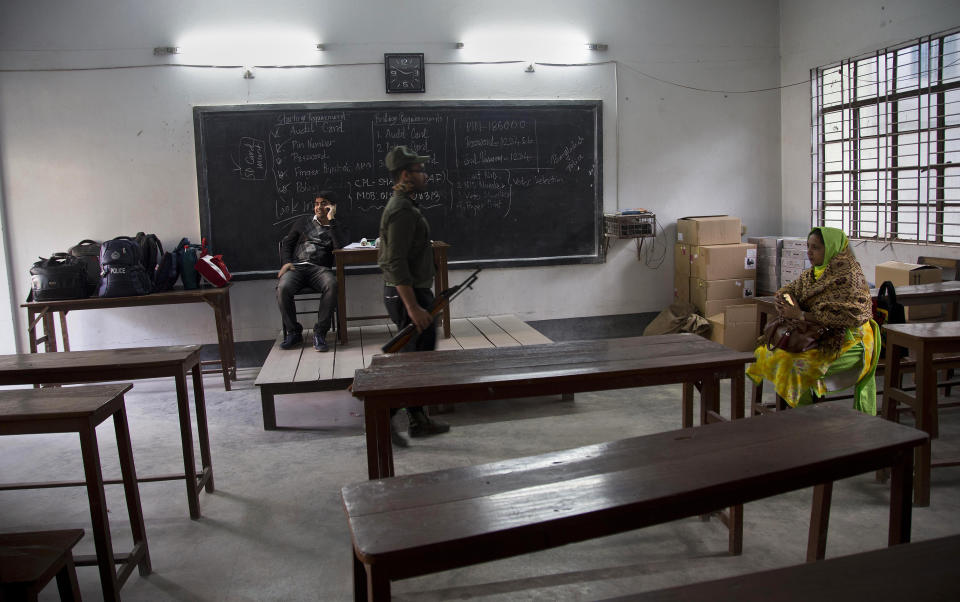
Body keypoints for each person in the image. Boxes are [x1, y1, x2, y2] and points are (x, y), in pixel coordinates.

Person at [746, 227, 881, 414]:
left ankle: (806, 415)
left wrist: (800, 315)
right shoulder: (812, 274)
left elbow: (846, 316)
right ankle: (804, 411)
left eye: (815, 247)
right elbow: (786, 291)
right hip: (817, 335)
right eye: (808, 246)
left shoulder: (849, 276)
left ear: (832, 249)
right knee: (768, 353)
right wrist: (790, 305)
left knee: (793, 366)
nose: (809, 252)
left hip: (849, 340)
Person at [378, 145, 451, 447]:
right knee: (413, 365)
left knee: (418, 361)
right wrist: (413, 307)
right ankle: (382, 415)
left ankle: (417, 420)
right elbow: (394, 262)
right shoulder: (401, 211)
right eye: (420, 171)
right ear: (405, 175)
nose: (426, 175)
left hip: (415, 292)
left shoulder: (405, 206)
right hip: (408, 295)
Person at [276, 191, 349, 351]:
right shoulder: (303, 222)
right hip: (297, 267)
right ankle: (294, 332)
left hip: (320, 270)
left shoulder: (337, 226)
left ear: (332, 207)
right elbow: (288, 244)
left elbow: (340, 247)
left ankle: (320, 333)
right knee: (283, 288)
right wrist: (287, 262)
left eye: (324, 203)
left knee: (332, 284)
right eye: (316, 203)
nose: (319, 207)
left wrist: (332, 221)